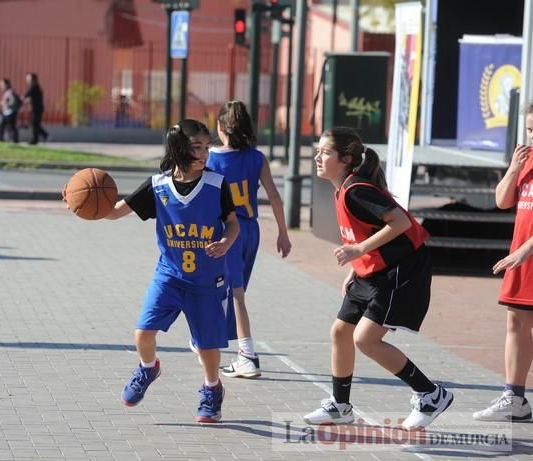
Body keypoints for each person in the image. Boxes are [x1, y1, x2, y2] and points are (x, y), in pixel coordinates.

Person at [303, 126, 452, 429]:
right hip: (372, 270)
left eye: (325, 152)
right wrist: (355, 267)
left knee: (365, 339)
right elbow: (369, 233)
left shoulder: (357, 190)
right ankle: (340, 407)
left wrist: (357, 250)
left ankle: (430, 394)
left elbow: (399, 222)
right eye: (318, 150)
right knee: (340, 332)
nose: (317, 156)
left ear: (345, 159)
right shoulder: (343, 187)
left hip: (402, 269)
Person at [105, 119, 240, 423]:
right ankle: (148, 367)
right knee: (143, 333)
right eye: (197, 148)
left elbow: (233, 222)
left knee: (207, 346)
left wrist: (226, 242)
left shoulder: (217, 184)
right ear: (179, 149)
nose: (205, 153)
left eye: (207, 147)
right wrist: (83, 205)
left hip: (207, 279)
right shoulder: (158, 185)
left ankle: (212, 388)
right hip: (169, 275)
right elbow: (114, 212)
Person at [202, 100, 292, 378]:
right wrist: (283, 233)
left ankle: (247, 354)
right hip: (251, 231)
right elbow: (275, 197)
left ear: (219, 127)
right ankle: (211, 337)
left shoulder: (211, 159)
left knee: (233, 294)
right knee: (230, 290)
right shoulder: (256, 158)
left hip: (227, 232)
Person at [473, 103, 533, 422]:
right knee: (516, 323)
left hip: (526, 254)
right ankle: (515, 397)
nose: (532, 136)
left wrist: (526, 250)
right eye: (530, 129)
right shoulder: (527, 160)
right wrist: (513, 168)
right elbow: (502, 201)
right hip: (522, 259)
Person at [24, 73, 48, 144]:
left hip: (37, 109)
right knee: (34, 124)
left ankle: (36, 139)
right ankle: (42, 136)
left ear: (34, 80)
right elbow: (27, 97)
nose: (27, 81)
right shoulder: (33, 88)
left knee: (34, 123)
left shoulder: (35, 88)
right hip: (34, 109)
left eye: (29, 79)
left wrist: (24, 99)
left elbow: (27, 96)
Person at [0, 78, 20, 143]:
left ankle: (15, 140)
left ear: (7, 84)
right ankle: (1, 139)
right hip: (6, 113)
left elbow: (13, 102)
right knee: (1, 127)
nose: (1, 87)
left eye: (2, 85)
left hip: (10, 113)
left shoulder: (10, 92)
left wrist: (6, 104)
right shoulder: (7, 92)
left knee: (11, 127)